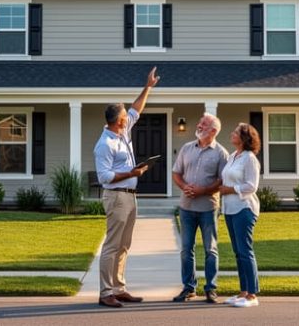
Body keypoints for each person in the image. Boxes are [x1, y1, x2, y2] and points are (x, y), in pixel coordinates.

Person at [94, 67, 160, 308]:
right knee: (112, 244)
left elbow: (136, 108)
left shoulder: (123, 132)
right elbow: (104, 176)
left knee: (124, 244)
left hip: (130, 197)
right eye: (125, 115)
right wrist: (132, 173)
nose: (129, 116)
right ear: (118, 120)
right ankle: (105, 292)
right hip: (116, 197)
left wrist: (148, 87)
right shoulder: (105, 144)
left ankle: (119, 288)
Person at [171, 113, 228, 303]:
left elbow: (222, 181)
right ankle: (189, 288)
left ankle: (211, 288)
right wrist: (184, 186)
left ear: (213, 130)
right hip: (186, 208)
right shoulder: (187, 148)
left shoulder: (221, 153)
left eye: (204, 124)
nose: (199, 125)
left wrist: (204, 190)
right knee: (186, 249)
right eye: (200, 123)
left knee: (210, 249)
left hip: (208, 208)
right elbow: (176, 173)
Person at [219, 123, 262, 308]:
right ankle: (243, 292)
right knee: (238, 252)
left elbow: (252, 185)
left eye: (236, 132)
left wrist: (230, 189)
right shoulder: (232, 156)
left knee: (245, 251)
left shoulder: (249, 159)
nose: (232, 133)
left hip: (244, 208)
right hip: (229, 209)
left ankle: (252, 295)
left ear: (244, 138)